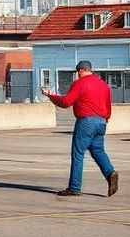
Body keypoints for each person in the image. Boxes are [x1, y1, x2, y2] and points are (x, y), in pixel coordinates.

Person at [42, 60, 119, 197]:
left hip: (86, 122)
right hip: (101, 122)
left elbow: (66, 102)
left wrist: (50, 96)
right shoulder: (103, 85)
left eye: (78, 72)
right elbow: (108, 106)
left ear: (81, 70)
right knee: (98, 151)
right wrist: (105, 120)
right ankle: (110, 173)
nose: (77, 75)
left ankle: (74, 187)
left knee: (78, 154)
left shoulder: (79, 83)